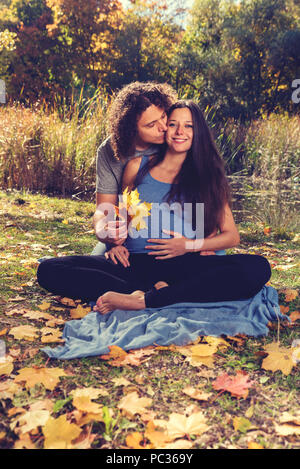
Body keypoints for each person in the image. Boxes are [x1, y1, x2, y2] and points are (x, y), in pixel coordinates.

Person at [37, 100, 271, 314]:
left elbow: (231, 236)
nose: (180, 132)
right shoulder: (137, 166)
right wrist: (114, 242)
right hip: (135, 262)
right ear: (164, 129)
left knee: (257, 268)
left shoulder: (210, 177)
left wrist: (188, 245)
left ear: (197, 132)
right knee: (50, 269)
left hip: (187, 263)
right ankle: (151, 290)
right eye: (173, 124)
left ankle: (145, 300)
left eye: (188, 126)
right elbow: (123, 216)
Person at [92, 81, 177, 255]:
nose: (163, 127)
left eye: (163, 116)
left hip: (176, 233)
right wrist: (107, 234)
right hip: (132, 235)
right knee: (99, 264)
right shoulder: (109, 151)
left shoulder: (177, 139)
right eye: (151, 125)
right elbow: (104, 210)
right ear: (131, 130)